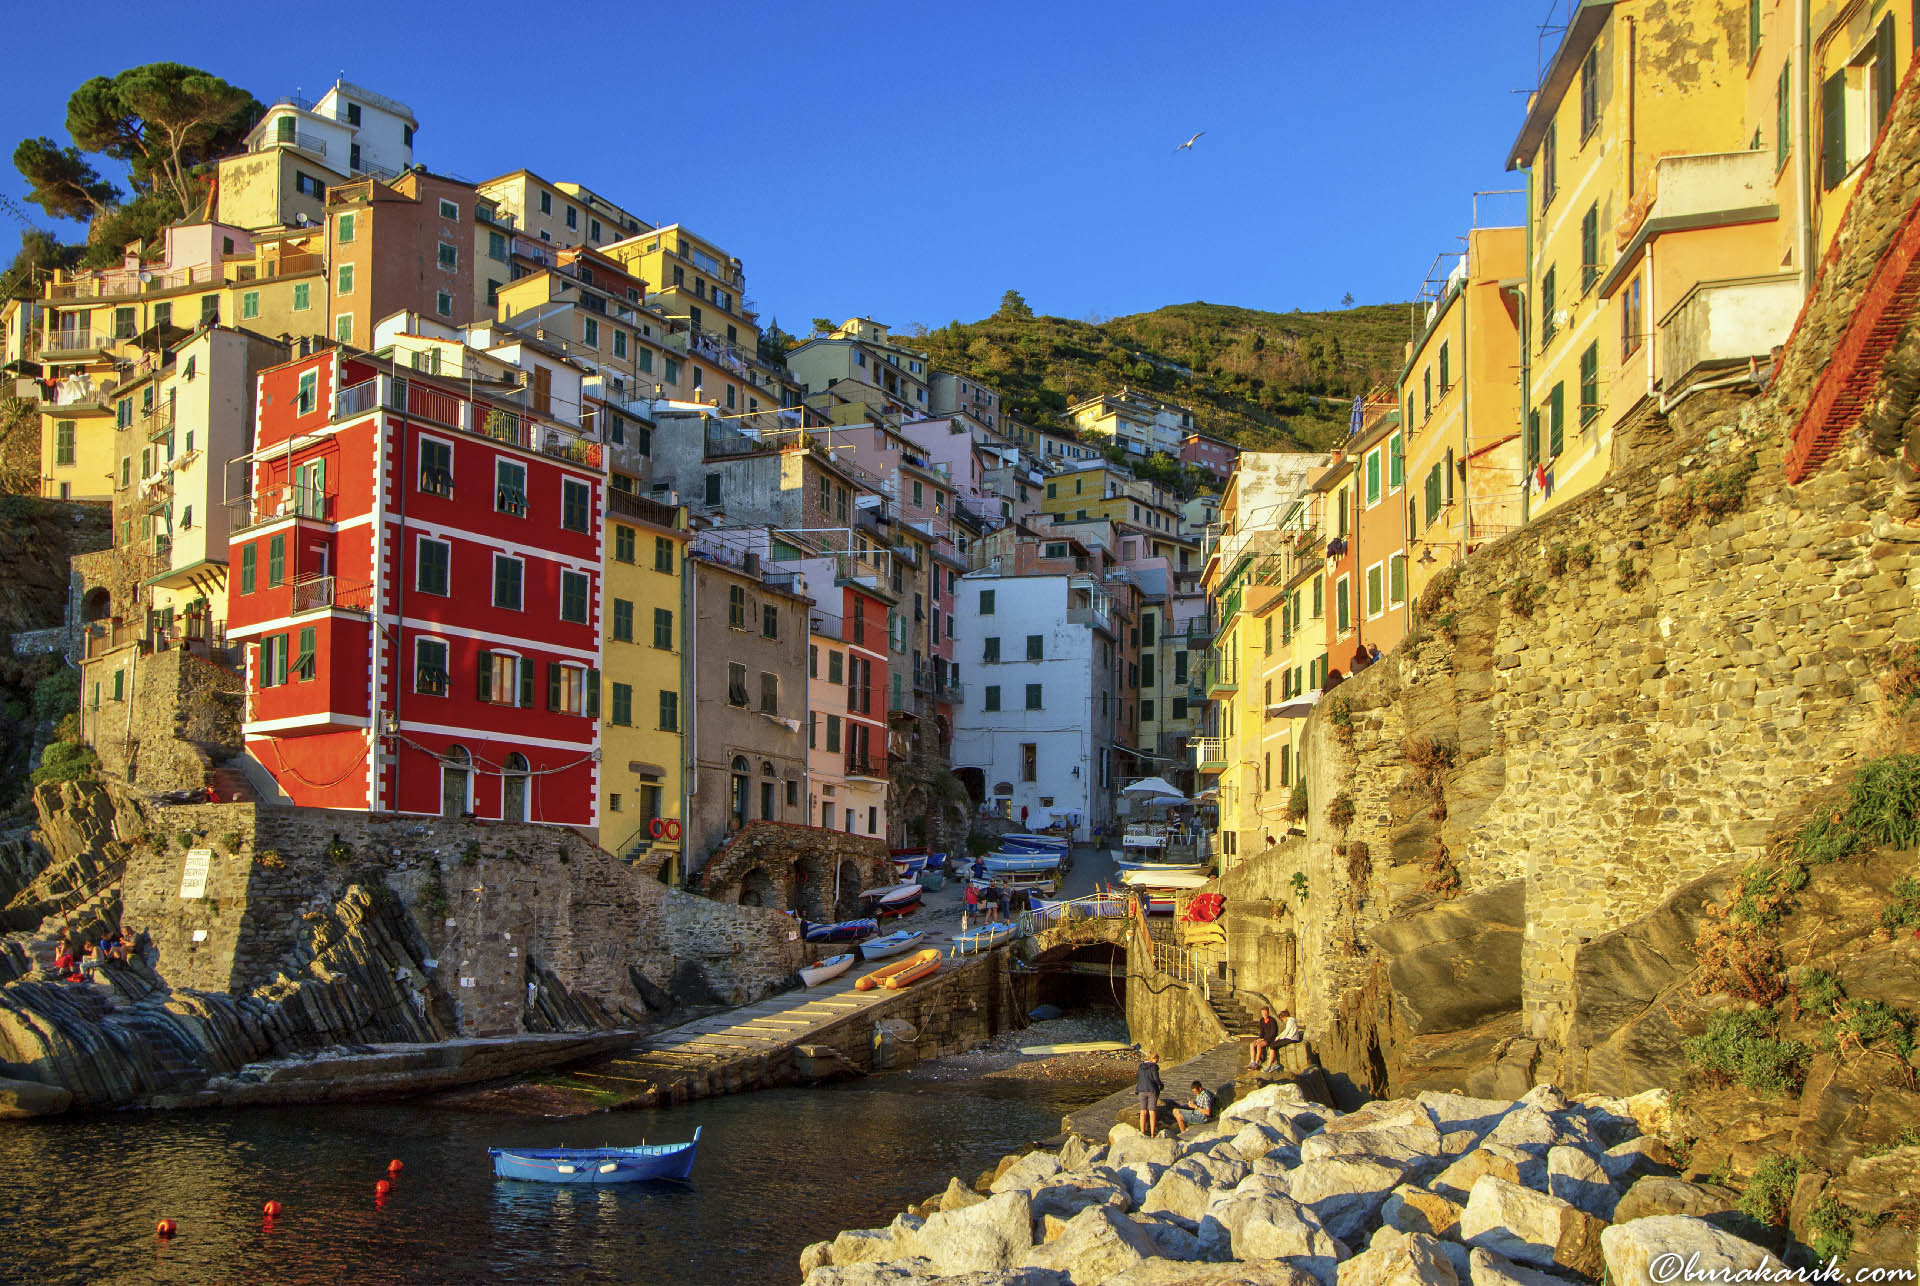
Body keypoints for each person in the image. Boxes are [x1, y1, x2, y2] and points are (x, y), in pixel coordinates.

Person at [1136, 1050, 1164, 1137]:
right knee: (1152, 1111)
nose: (1157, 1062)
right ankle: (1152, 1133)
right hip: (1151, 1090)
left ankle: (1142, 1132)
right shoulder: (1154, 1066)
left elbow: (1139, 1078)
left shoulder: (1140, 1066)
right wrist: (1161, 1085)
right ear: (1154, 1058)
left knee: (1143, 1111)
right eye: (1157, 1059)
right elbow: (1155, 1078)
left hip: (1141, 1090)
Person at [1249, 1005, 1280, 1071]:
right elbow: (1262, 1031)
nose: (1264, 1014)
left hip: (1270, 1039)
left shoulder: (1272, 1021)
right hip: (1263, 1038)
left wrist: (1263, 1039)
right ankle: (1252, 1061)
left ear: (1268, 1013)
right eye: (1263, 1013)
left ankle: (1257, 1062)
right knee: (1252, 1044)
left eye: (1266, 1013)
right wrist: (1260, 1038)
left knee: (1259, 1045)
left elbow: (1273, 1033)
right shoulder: (1261, 1020)